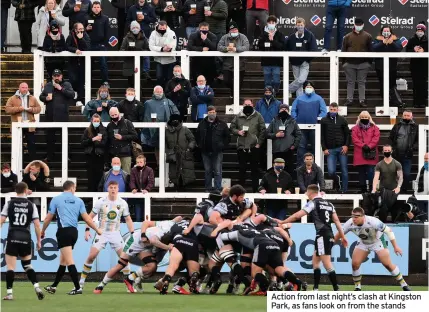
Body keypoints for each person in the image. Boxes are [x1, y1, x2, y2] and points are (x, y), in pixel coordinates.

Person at [281, 184, 348, 291]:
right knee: (315, 262)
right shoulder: (329, 204)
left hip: (322, 235)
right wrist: (343, 236)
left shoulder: (313, 203)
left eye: (307, 192)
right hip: (328, 234)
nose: (306, 194)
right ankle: (315, 288)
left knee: (327, 264)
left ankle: (336, 288)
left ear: (310, 192)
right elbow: (337, 221)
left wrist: (283, 222)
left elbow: (297, 216)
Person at [42, 181, 102, 295]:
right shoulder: (79, 201)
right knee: (63, 261)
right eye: (75, 188)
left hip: (63, 231)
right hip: (74, 232)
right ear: (72, 188)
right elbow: (87, 219)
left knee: (69, 261)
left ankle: (77, 287)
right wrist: (97, 229)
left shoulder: (56, 199)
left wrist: (42, 231)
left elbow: (48, 218)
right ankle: (54, 286)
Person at [335, 207, 411, 291]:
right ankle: (357, 287)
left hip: (377, 241)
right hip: (363, 242)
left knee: (388, 265)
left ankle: (404, 284)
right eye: (352, 216)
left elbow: (389, 231)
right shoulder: (350, 223)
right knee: (355, 264)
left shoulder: (373, 221)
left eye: (356, 217)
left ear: (363, 216)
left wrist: (395, 246)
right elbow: (340, 233)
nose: (354, 219)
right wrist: (331, 243)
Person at [79, 181, 134, 289]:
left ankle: (130, 285)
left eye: (115, 187)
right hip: (102, 232)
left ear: (118, 189)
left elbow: (128, 219)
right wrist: (87, 229)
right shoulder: (101, 202)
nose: (113, 189)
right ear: (107, 189)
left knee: (124, 258)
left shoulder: (123, 203)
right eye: (111, 187)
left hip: (115, 233)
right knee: (92, 256)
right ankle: (81, 283)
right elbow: (90, 216)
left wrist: (132, 233)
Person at [0, 182, 44, 300]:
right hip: (25, 236)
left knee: (10, 267)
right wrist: (39, 241)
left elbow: (2, 220)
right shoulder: (31, 205)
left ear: (16, 191)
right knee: (27, 265)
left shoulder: (9, 204)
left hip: (13, 235)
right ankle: (37, 287)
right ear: (25, 190)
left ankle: (9, 293)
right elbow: (36, 225)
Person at [39, 69, 76, 162]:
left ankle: (67, 156)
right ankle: (50, 156)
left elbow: (72, 94)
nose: (57, 77)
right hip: (50, 115)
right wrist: (46, 98)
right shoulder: (48, 85)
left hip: (62, 115)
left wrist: (61, 89)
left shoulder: (66, 84)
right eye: (55, 76)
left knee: (64, 137)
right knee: (50, 138)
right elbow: (41, 96)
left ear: (61, 76)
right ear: (52, 77)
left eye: (58, 75)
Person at [230, 99, 266, 192]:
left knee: (255, 170)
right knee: (242, 170)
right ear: (243, 105)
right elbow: (232, 127)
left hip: (254, 147)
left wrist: (259, 143)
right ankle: (240, 192)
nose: (247, 105)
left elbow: (263, 130)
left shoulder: (258, 115)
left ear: (252, 105)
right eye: (245, 104)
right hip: (242, 147)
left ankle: (255, 190)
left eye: (249, 104)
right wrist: (238, 132)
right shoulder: (238, 116)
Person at [291, 81, 327, 167]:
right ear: (304, 88)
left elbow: (324, 111)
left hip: (314, 128)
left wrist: (318, 119)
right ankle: (300, 168)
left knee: (315, 148)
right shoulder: (299, 98)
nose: (309, 88)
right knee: (301, 149)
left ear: (313, 88)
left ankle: (314, 169)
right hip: (301, 128)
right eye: (307, 86)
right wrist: (296, 119)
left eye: (310, 87)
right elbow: (293, 110)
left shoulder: (319, 98)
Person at [141, 86, 179, 165]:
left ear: (163, 92)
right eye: (157, 91)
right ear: (154, 92)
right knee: (158, 148)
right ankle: (159, 166)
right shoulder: (148, 103)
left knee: (169, 148)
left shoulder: (168, 101)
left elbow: (176, 113)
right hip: (154, 131)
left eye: (160, 91)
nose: (159, 93)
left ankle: (170, 170)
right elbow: (144, 116)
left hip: (168, 130)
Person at [196, 106, 230, 193]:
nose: (212, 114)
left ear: (216, 113)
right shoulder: (202, 123)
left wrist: (222, 146)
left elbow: (227, 137)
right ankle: (208, 188)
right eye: (210, 112)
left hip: (217, 152)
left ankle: (217, 188)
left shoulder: (222, 124)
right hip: (205, 151)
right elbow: (197, 135)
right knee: (207, 171)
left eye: (213, 112)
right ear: (207, 113)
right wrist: (200, 145)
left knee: (218, 171)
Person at [5, 82, 41, 162]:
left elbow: (39, 109)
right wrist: (19, 109)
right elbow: (7, 109)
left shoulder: (33, 98)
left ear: (28, 88)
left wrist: (31, 109)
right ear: (19, 88)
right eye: (23, 87)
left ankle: (33, 163)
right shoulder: (12, 98)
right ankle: (18, 161)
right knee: (18, 145)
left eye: (26, 87)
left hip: (30, 125)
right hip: (17, 125)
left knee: (31, 144)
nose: (25, 89)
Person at [342, 18, 372, 107]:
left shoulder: (368, 36)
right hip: (349, 63)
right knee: (350, 82)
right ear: (354, 25)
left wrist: (369, 62)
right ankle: (349, 100)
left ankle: (362, 100)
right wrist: (344, 63)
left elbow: (371, 50)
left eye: (360, 24)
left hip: (363, 63)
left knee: (361, 82)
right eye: (357, 24)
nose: (358, 26)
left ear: (363, 25)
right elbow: (344, 50)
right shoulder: (347, 36)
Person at [266, 104, 301, 179]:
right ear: (279, 110)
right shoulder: (274, 120)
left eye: (286, 109)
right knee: (276, 171)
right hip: (277, 150)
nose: (284, 111)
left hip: (288, 150)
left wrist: (294, 145)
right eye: (282, 109)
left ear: (288, 111)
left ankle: (288, 188)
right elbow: (267, 133)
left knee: (289, 171)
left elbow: (298, 134)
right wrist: (276, 135)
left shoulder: (293, 121)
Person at [321, 102, 350, 193]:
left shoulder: (342, 120)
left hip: (341, 148)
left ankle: (344, 190)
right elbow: (322, 135)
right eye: (331, 109)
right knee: (331, 171)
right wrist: (324, 148)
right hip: (330, 150)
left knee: (344, 170)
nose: (333, 111)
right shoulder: (324, 120)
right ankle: (337, 181)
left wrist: (346, 145)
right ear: (329, 109)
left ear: (337, 109)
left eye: (334, 109)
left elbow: (348, 134)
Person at [285, 17, 318, 97]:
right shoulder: (292, 37)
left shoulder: (309, 35)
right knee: (298, 83)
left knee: (301, 80)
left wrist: (307, 60)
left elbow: (313, 49)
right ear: (296, 25)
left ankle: (288, 89)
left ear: (304, 25)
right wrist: (291, 59)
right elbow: (287, 48)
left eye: (301, 25)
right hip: (294, 63)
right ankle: (300, 99)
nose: (300, 26)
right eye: (298, 25)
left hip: (304, 62)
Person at [389, 110, 418, 193]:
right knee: (396, 174)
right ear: (402, 116)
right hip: (397, 154)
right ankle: (396, 190)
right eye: (405, 115)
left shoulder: (415, 127)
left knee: (406, 173)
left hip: (407, 155)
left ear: (411, 117)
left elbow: (417, 140)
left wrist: (413, 147)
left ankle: (404, 190)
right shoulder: (397, 126)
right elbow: (391, 136)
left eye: (408, 116)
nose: (406, 117)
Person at [351, 111, 380, 193]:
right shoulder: (355, 128)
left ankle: (372, 188)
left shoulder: (375, 128)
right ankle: (363, 189)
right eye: (362, 117)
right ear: (359, 118)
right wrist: (363, 145)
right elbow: (354, 139)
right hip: (359, 153)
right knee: (361, 173)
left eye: (366, 117)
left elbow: (376, 138)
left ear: (369, 118)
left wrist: (369, 146)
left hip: (371, 153)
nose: (364, 119)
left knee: (371, 172)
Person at [218, 21, 249, 96]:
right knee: (227, 81)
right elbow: (219, 46)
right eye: (232, 30)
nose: (234, 31)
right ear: (229, 31)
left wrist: (236, 49)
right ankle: (233, 92)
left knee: (239, 83)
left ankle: (235, 98)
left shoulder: (243, 37)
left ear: (238, 30)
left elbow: (246, 47)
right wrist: (226, 49)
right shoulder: (224, 37)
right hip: (227, 64)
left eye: (235, 29)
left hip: (240, 64)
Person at [371, 25, 402, 101]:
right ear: (381, 32)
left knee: (392, 85)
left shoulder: (396, 40)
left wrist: (392, 43)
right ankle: (384, 100)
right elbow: (373, 48)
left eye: (388, 31)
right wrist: (382, 43)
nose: (386, 32)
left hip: (392, 67)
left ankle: (393, 101)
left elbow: (399, 49)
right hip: (380, 67)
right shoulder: (377, 39)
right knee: (382, 84)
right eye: (384, 31)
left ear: (391, 32)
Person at [166, 114, 196, 189]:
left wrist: (189, 148)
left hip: (184, 155)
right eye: (173, 120)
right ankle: (176, 185)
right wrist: (169, 152)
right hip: (173, 156)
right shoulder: (166, 131)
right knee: (174, 171)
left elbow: (192, 140)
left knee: (185, 172)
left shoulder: (185, 129)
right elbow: (164, 143)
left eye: (177, 120)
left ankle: (185, 186)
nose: (175, 121)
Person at [258, 15, 285, 95]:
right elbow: (260, 45)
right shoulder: (263, 34)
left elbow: (282, 46)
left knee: (276, 81)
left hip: (276, 62)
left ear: (276, 23)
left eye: (273, 22)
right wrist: (266, 42)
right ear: (267, 23)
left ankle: (275, 92)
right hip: (266, 62)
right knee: (267, 82)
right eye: (270, 22)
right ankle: (269, 96)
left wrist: (273, 40)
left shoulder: (279, 34)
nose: (271, 24)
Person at [106, 107, 138, 174]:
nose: (114, 116)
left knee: (126, 174)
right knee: (114, 175)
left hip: (125, 153)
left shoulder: (127, 123)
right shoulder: (109, 125)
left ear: (119, 113)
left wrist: (122, 137)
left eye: (115, 114)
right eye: (112, 115)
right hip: (114, 154)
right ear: (110, 116)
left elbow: (135, 136)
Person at [66, 22, 90, 106]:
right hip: (73, 62)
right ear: (75, 29)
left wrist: (81, 39)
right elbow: (67, 47)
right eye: (79, 29)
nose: (81, 31)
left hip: (83, 62)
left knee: (81, 81)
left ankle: (80, 99)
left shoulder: (85, 35)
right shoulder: (70, 36)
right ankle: (73, 96)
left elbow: (87, 47)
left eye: (82, 29)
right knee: (73, 79)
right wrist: (75, 50)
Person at [81, 114, 107, 192]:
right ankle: (90, 194)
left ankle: (98, 193)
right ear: (92, 121)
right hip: (90, 156)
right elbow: (83, 143)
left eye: (97, 121)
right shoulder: (87, 130)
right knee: (90, 177)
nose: (96, 122)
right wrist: (93, 139)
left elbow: (105, 143)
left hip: (100, 156)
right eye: (94, 121)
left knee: (99, 176)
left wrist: (96, 142)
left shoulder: (103, 130)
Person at [120, 21, 151, 87]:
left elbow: (148, 49)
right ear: (131, 28)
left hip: (140, 63)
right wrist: (128, 51)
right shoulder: (126, 38)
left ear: (139, 28)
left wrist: (141, 51)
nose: (135, 29)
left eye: (137, 27)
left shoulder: (144, 38)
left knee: (139, 85)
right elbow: (122, 50)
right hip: (129, 63)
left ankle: (140, 97)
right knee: (131, 84)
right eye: (133, 27)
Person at [86, 1, 109, 86]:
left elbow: (107, 33)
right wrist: (86, 29)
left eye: (98, 7)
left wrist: (104, 44)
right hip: (89, 45)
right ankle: (87, 82)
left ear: (100, 8)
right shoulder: (86, 17)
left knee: (103, 63)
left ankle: (105, 81)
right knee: (89, 64)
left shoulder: (105, 18)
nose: (96, 9)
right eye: (94, 7)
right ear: (92, 8)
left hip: (101, 45)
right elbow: (82, 33)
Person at [149, 20, 177, 88]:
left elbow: (174, 45)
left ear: (166, 27)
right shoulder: (153, 33)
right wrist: (161, 49)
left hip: (170, 60)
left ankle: (167, 94)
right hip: (159, 60)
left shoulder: (171, 33)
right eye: (160, 28)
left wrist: (169, 48)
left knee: (169, 78)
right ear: (158, 26)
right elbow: (151, 46)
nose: (162, 29)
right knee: (159, 77)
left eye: (163, 28)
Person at [406, 22, 428, 108]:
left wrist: (424, 51)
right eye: (418, 30)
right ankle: (415, 103)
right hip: (414, 66)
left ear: (424, 31)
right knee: (415, 84)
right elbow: (407, 51)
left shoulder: (427, 40)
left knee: (423, 84)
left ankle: (423, 102)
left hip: (424, 66)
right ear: (416, 31)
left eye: (421, 30)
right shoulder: (411, 40)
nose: (420, 32)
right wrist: (413, 50)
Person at [130, 155, 154, 221]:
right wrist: (133, 188)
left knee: (146, 216)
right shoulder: (133, 170)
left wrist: (147, 189)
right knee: (138, 216)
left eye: (140, 162)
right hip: (137, 196)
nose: (139, 164)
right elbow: (132, 180)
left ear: (144, 163)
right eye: (137, 162)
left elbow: (151, 181)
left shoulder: (149, 170)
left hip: (146, 195)